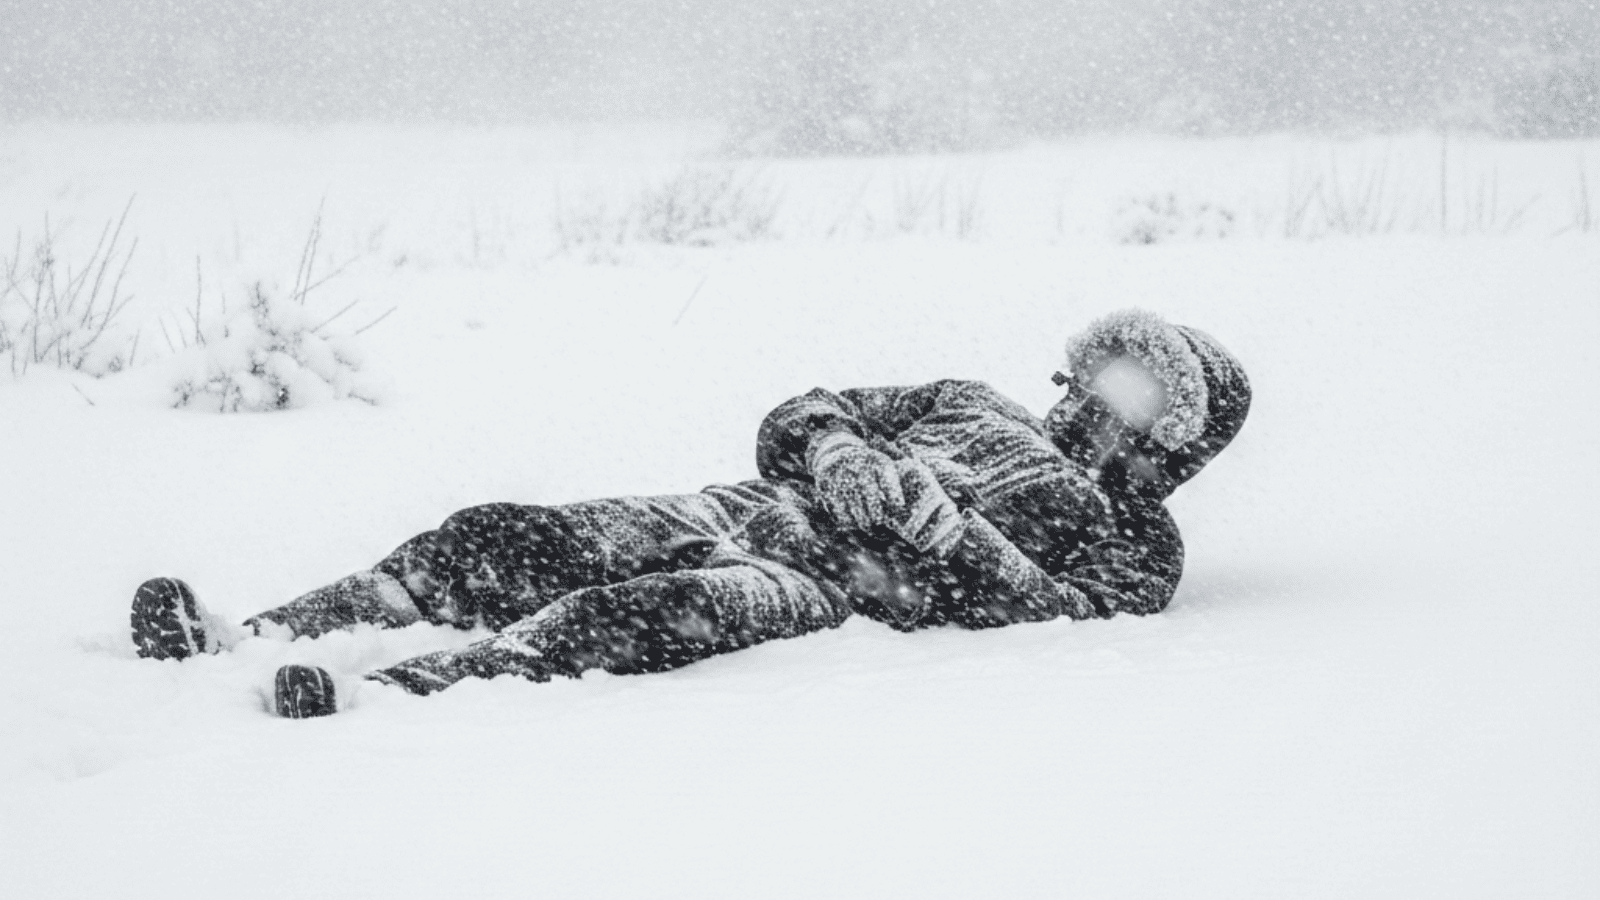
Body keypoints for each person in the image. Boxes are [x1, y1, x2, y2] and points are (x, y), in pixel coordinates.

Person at [130, 308, 1250, 718]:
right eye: (1105, 371)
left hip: (826, 590)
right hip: (744, 507)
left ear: (1173, 438)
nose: (1099, 399)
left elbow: (1066, 617)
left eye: (1138, 394)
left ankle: (393, 692)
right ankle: (259, 631)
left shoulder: (1136, 538)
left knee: (638, 613)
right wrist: (839, 447)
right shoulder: (969, 399)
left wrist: (945, 533)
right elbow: (805, 408)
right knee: (500, 534)